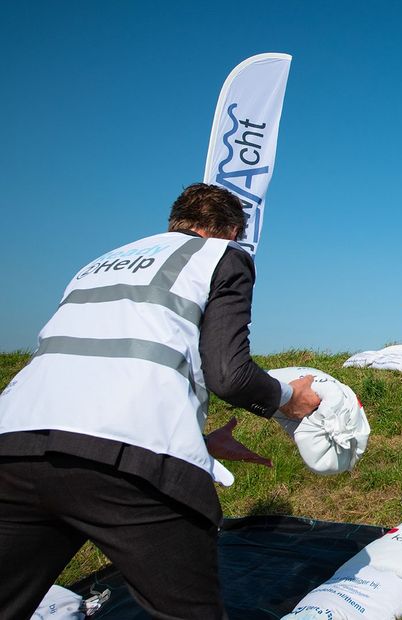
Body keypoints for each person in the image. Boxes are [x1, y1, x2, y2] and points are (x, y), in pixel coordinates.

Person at [0, 183, 322, 618]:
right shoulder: (222, 256)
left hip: (14, 447)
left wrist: (199, 442)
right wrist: (288, 398)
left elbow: (97, 368)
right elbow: (228, 374)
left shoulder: (98, 263)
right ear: (230, 230)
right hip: (128, 464)